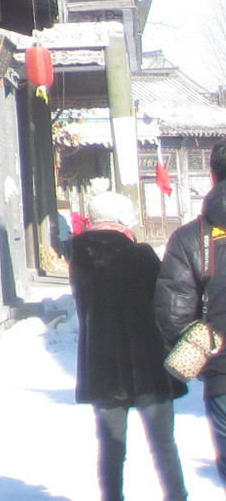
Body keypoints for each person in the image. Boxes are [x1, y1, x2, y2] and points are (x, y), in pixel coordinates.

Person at [75, 190, 188, 500]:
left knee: (111, 448)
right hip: (146, 365)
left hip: (103, 368)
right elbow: (163, 303)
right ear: (120, 218)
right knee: (163, 446)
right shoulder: (139, 255)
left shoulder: (79, 259)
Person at [161, 141, 226, 487]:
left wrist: (206, 355)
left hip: (222, 378)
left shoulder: (189, 238)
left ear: (213, 175)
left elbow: (173, 316)